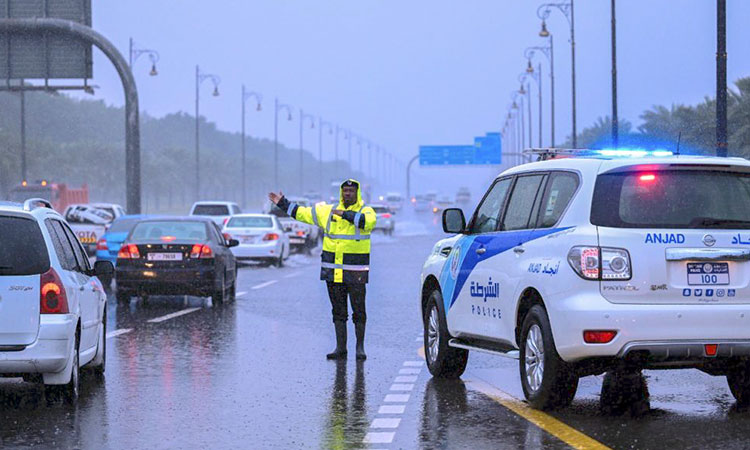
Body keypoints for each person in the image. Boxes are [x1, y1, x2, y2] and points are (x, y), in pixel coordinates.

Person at [268, 179, 376, 360]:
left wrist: (345, 215)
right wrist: (282, 203)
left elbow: (368, 222)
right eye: (345, 191)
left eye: (351, 191)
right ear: (341, 193)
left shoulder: (365, 210)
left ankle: (360, 347)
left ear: (357, 194)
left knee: (359, 311)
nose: (347, 194)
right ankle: (341, 348)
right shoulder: (328, 211)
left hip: (356, 272)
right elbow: (302, 213)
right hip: (332, 272)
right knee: (338, 312)